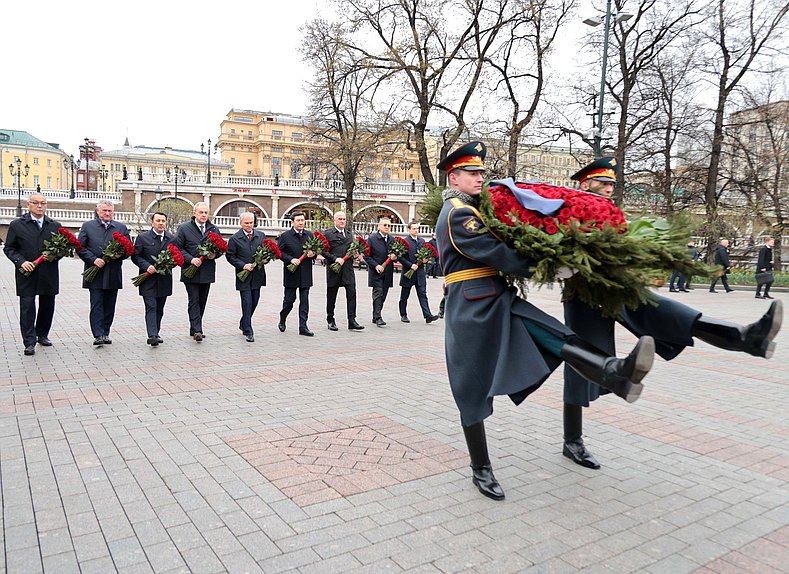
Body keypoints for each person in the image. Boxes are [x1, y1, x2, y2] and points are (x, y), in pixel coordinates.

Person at [436, 142, 657, 501]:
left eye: (481, 172)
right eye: (472, 173)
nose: (479, 178)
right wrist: (548, 265)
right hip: (472, 308)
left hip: (496, 297)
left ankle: (615, 370)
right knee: (470, 388)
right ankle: (481, 468)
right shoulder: (459, 213)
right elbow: (496, 251)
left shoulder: (474, 208)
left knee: (555, 333)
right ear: (454, 178)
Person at [560, 158, 783, 471]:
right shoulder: (566, 208)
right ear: (586, 183)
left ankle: (746, 337)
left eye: (612, 183)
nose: (610, 188)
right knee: (582, 360)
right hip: (583, 293)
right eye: (603, 183)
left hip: (619, 284)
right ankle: (572, 440)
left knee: (667, 313)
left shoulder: (612, 212)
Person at [3, 193, 63, 356]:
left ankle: (42, 334)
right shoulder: (17, 225)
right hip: (26, 273)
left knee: (47, 305)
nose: (40, 206)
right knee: (27, 306)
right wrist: (21, 262)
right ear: (28, 204)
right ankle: (29, 342)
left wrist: (54, 256)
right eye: (36, 203)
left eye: (43, 203)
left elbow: (62, 249)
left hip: (48, 273)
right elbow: (9, 248)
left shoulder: (54, 225)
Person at [77, 200, 132, 346]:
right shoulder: (88, 226)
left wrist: (118, 255)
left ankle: (106, 332)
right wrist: (93, 259)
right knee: (96, 304)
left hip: (112, 272)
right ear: (98, 211)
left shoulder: (120, 228)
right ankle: (98, 334)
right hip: (94, 272)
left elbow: (129, 249)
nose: (107, 213)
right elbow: (80, 247)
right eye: (104, 211)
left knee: (109, 304)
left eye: (110, 211)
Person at [173, 202, 222, 341]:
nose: (204, 215)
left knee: (202, 300)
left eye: (206, 212)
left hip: (206, 271)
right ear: (194, 213)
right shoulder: (184, 228)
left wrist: (215, 255)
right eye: (201, 212)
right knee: (194, 299)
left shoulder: (213, 229)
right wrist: (190, 259)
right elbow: (179, 247)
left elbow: (220, 248)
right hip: (190, 270)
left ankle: (194, 327)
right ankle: (198, 330)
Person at [131, 212, 174, 347]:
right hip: (148, 279)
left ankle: (156, 332)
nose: (161, 223)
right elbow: (135, 256)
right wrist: (147, 266)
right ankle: (152, 335)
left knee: (160, 308)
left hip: (164, 279)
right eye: (158, 220)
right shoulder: (143, 238)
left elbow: (176, 256)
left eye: (163, 221)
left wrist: (168, 264)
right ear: (152, 222)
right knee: (151, 306)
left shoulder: (171, 238)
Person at [226, 212, 268, 342]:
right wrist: (243, 265)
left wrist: (264, 259)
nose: (249, 225)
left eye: (251, 223)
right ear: (241, 223)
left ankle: (244, 322)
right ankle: (248, 331)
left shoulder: (260, 236)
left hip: (257, 275)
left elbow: (266, 252)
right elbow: (230, 256)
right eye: (246, 223)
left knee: (255, 301)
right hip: (243, 276)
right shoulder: (235, 239)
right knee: (247, 302)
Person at [323, 211, 365, 331]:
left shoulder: (349, 234)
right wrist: (335, 259)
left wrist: (355, 255)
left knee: (352, 294)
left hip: (347, 270)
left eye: (344, 219)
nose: (342, 221)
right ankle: (330, 320)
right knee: (332, 295)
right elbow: (323, 251)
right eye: (340, 219)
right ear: (334, 221)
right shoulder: (328, 234)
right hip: (334, 269)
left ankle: (352, 320)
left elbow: (352, 251)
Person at [277, 211, 316, 336]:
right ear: (292, 222)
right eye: (298, 220)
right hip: (291, 273)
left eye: (302, 220)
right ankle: (283, 317)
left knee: (304, 301)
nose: (300, 223)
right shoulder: (285, 236)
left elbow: (315, 251)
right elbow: (279, 253)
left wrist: (313, 254)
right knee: (289, 300)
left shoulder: (309, 235)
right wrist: (290, 259)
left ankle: (303, 326)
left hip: (306, 274)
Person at [398, 221, 439, 324]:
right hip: (408, 272)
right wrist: (410, 265)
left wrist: (425, 260)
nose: (416, 230)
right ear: (409, 229)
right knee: (404, 295)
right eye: (414, 228)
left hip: (420, 273)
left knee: (423, 294)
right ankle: (403, 314)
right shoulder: (405, 241)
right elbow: (400, 258)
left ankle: (428, 315)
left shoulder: (422, 241)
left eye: (417, 228)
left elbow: (426, 254)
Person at [364, 216, 398, 327]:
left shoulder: (392, 239)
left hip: (387, 272)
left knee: (383, 295)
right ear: (379, 226)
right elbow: (366, 256)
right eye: (385, 225)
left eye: (389, 225)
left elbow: (396, 255)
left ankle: (375, 315)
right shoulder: (372, 239)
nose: (387, 227)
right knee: (378, 293)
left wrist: (395, 257)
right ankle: (378, 317)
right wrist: (376, 265)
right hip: (376, 272)